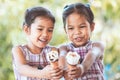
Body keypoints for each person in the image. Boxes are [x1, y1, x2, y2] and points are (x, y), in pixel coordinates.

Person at [12, 6, 63, 80]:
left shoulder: (52, 51)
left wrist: (57, 72)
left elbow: (59, 70)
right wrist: (42, 73)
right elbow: (22, 68)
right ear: (27, 30)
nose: (45, 34)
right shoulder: (19, 50)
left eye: (50, 30)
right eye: (40, 29)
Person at [59, 3, 104, 80]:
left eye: (82, 26)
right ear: (65, 30)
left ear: (92, 27)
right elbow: (62, 57)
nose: (77, 32)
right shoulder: (64, 48)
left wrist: (82, 67)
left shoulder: (97, 46)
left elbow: (92, 54)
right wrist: (65, 66)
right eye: (71, 28)